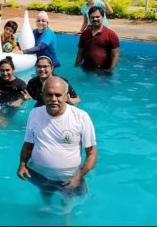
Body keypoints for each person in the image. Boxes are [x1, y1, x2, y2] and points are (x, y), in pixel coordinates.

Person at [16, 76, 97, 209]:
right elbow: (28, 145)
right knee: (45, 196)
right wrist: (22, 164)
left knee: (66, 208)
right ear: (43, 96)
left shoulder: (81, 117)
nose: (53, 99)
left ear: (66, 96)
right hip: (39, 173)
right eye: (49, 94)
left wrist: (79, 176)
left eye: (58, 95)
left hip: (69, 178)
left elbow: (92, 153)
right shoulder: (35, 114)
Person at [75, 6, 120, 72]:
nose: (95, 19)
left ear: (102, 17)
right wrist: (76, 65)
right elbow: (80, 52)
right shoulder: (85, 33)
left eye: (97, 17)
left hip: (104, 70)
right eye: (92, 17)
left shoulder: (111, 34)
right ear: (89, 18)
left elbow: (115, 55)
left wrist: (110, 70)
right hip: (87, 68)